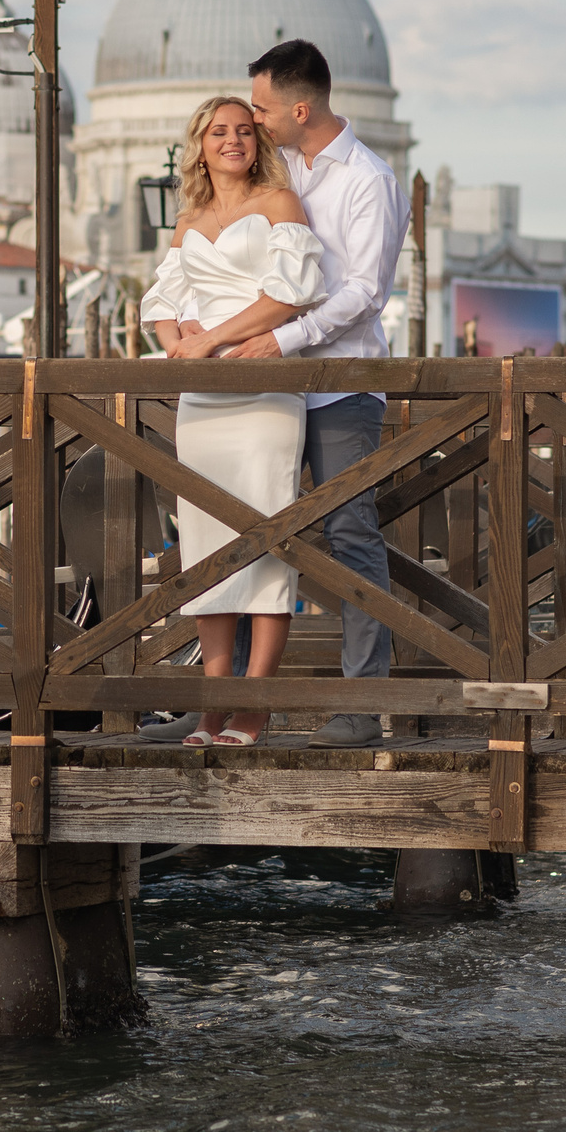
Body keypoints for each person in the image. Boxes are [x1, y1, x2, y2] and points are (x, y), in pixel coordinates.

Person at [231, 38, 411, 748]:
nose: (255, 119)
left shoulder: (369, 180)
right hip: (278, 387)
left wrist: (284, 339)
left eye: (262, 107)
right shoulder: (283, 171)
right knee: (248, 528)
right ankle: (230, 697)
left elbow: (367, 293)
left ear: (300, 107)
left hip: (341, 384)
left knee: (348, 535)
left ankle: (363, 704)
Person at [138, 95, 324, 745]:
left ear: (258, 142)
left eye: (245, 130)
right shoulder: (188, 220)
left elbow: (290, 294)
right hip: (204, 402)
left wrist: (211, 335)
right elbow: (160, 299)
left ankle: (256, 702)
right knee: (207, 544)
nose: (234, 140)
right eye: (220, 131)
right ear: (201, 144)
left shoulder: (279, 205)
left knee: (269, 536)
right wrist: (177, 335)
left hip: (264, 391)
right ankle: (212, 702)